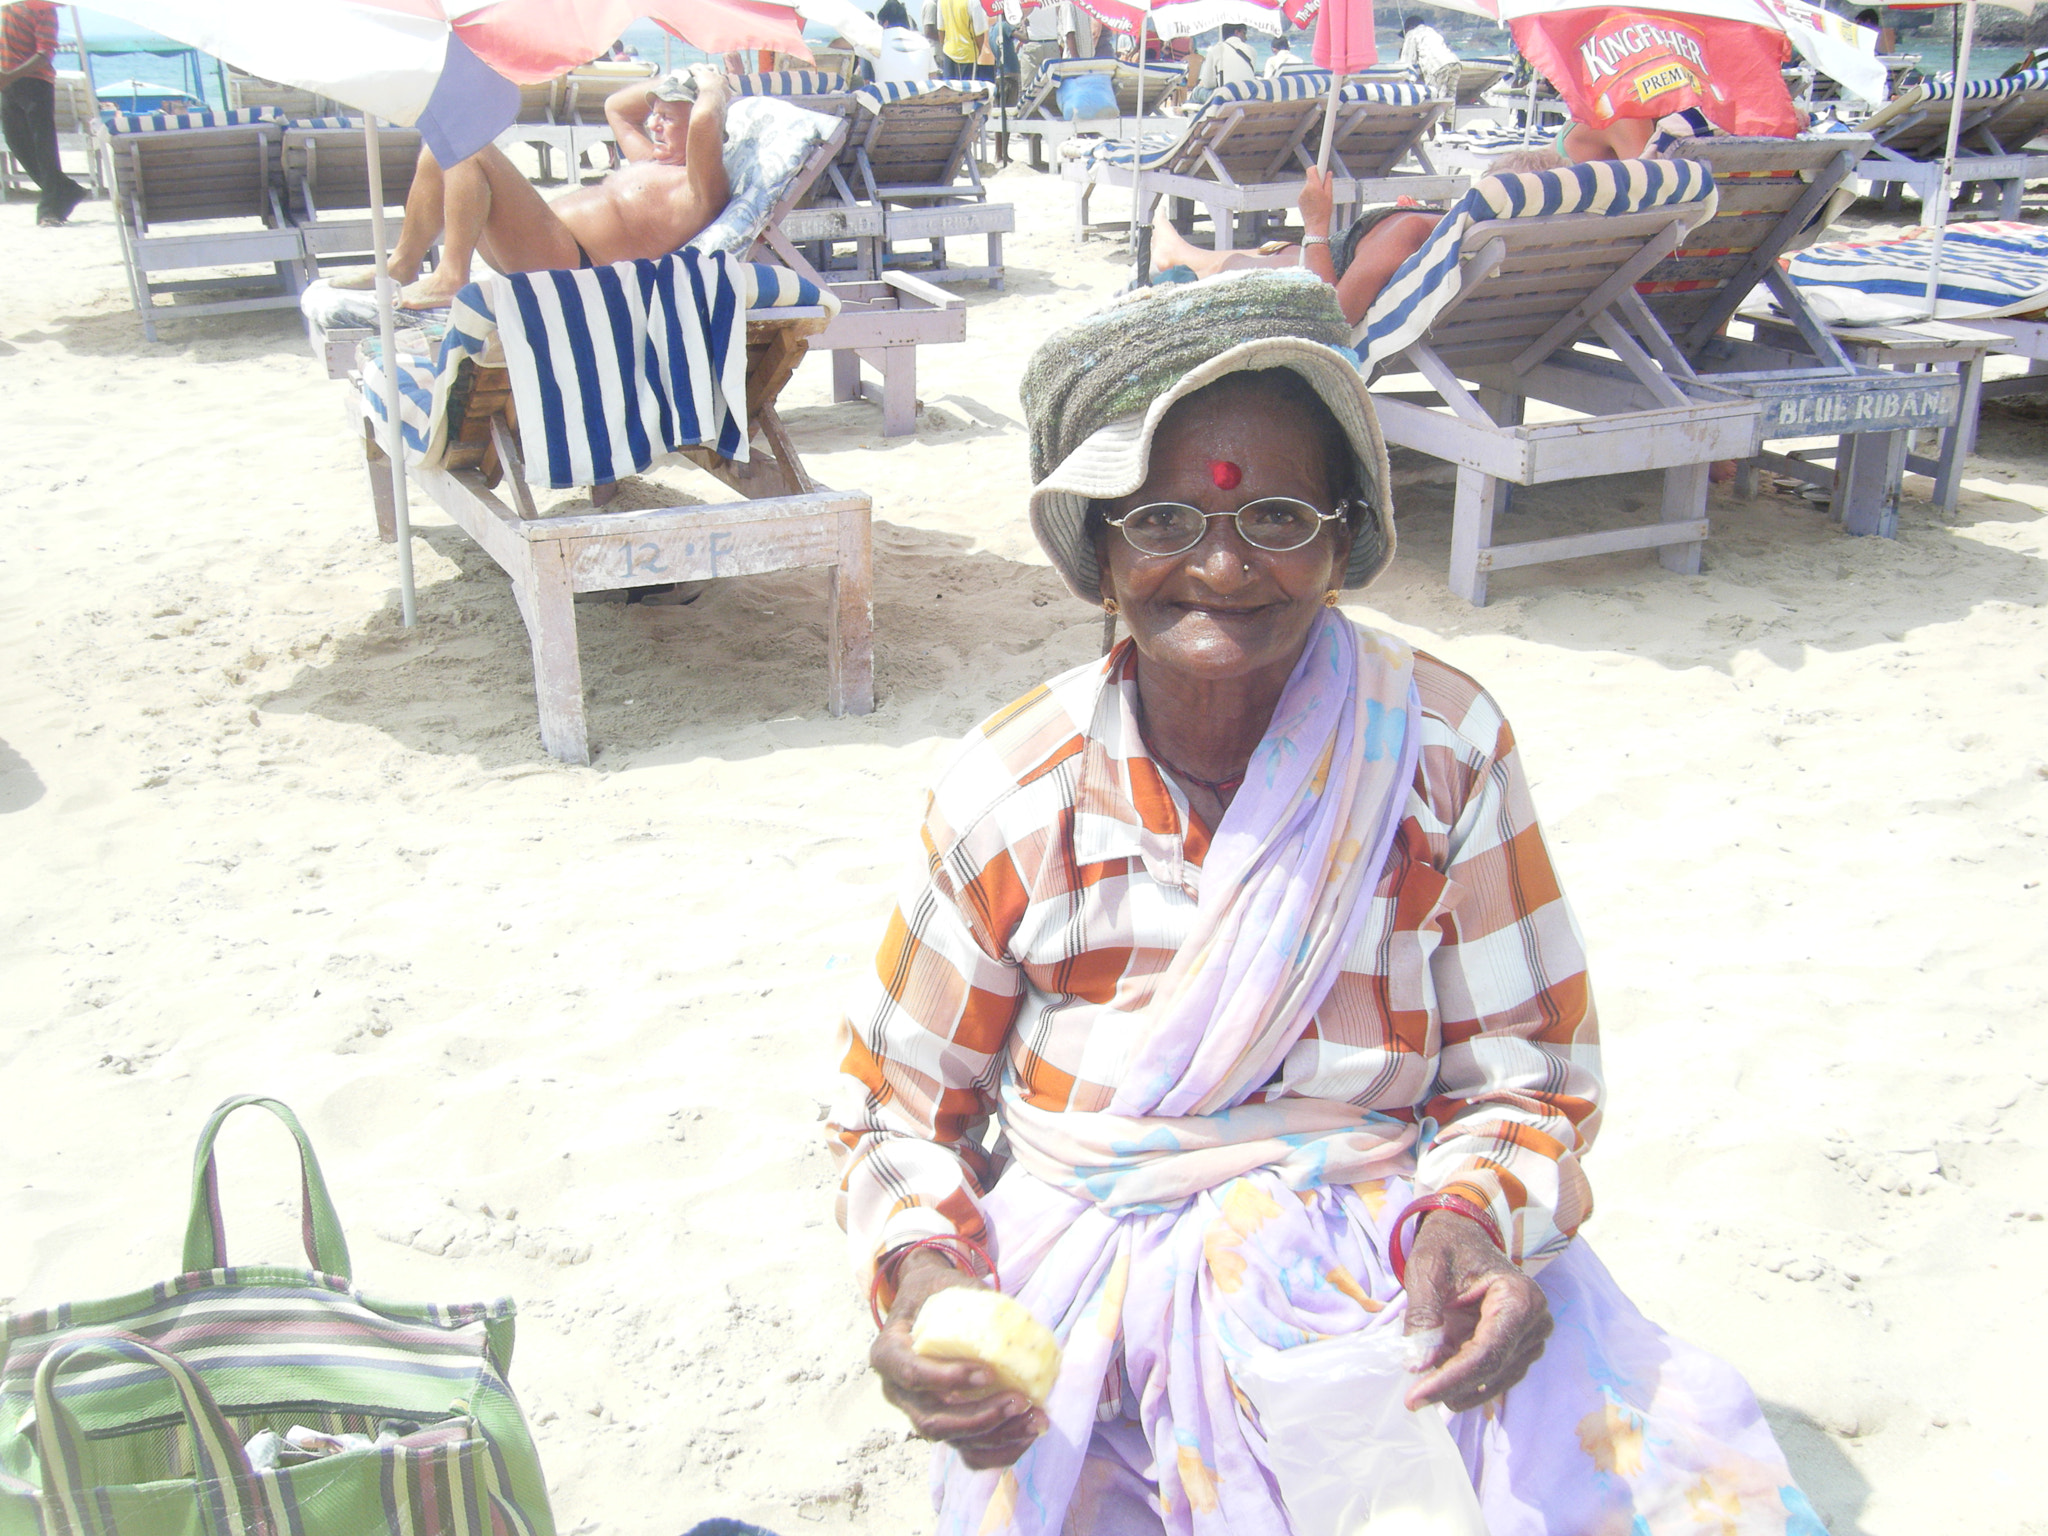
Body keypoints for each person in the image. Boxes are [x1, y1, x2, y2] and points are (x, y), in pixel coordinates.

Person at [832, 273, 1826, 1535]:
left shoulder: (1439, 749)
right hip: (1088, 1302)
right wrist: (918, 1283)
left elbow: (1527, 1082)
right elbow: (890, 1112)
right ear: (1098, 553)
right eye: (1161, 518)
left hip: (1395, 1283)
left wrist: (1471, 1222)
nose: (1222, 565)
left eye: (1280, 517)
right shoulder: (1010, 790)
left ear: (1344, 539)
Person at [338, 65, 732, 310]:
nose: (654, 125)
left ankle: (451, 276)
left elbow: (702, 125)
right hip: (532, 247)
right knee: (440, 147)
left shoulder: (698, 189)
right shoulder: (650, 159)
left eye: (666, 118)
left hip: (569, 265)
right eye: (655, 116)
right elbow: (616, 106)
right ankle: (402, 265)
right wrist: (679, 77)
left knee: (468, 147)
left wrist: (714, 88)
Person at [1149, 168, 1446, 325]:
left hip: (1319, 285)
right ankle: (1179, 255)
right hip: (1322, 263)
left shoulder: (1410, 231)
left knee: (1226, 268)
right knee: (1270, 251)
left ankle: (1180, 260)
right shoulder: (1460, 230)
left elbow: (1333, 312)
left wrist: (1316, 224)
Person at [0, 1, 83, 227]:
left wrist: (10, 75)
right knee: (17, 143)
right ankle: (65, 189)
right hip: (8, 84)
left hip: (36, 83)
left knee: (43, 147)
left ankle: (49, 211)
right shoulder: (7, 7)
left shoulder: (44, 10)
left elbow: (45, 54)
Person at [864, 0, 943, 86]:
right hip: (919, 96)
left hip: (888, 96)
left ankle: (866, 82)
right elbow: (933, 77)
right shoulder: (922, 41)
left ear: (885, 23)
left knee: (866, 54)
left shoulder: (876, 41)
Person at [1399, 12, 1464, 101]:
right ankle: (1449, 115)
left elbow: (1407, 61)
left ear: (1408, 27)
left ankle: (1438, 115)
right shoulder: (1432, 31)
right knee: (1450, 99)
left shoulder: (1411, 33)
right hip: (1454, 62)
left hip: (1437, 66)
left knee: (1437, 99)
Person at [1195, 22, 1260, 94]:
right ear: (1237, 32)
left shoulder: (1216, 49)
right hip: (1248, 95)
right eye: (1244, 33)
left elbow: (1208, 84)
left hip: (1226, 97)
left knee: (1197, 92)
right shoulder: (1251, 50)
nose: (1245, 38)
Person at [939, 0, 992, 81]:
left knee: (949, 91)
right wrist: (978, 52)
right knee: (968, 91)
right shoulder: (973, 2)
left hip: (948, 53)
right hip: (967, 54)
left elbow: (941, 30)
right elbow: (980, 33)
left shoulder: (941, 1)